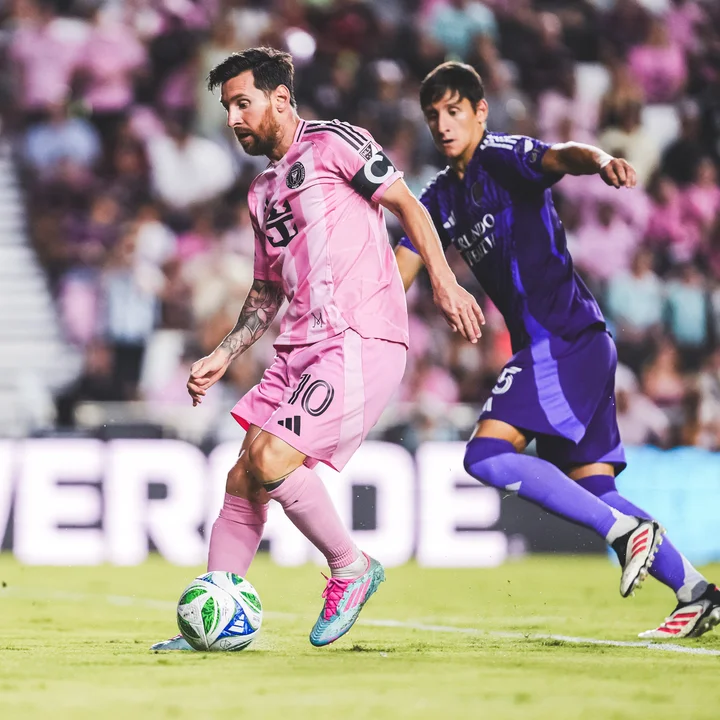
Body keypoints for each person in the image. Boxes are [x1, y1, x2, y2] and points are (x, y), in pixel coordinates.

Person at [152, 48, 483, 650]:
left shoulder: (334, 142)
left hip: (357, 336)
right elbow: (265, 291)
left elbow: (408, 205)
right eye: (227, 107)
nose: (232, 118)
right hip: (297, 347)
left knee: (272, 460)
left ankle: (351, 567)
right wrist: (226, 352)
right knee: (244, 476)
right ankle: (213, 614)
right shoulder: (261, 192)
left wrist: (443, 280)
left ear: (280, 99)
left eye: (242, 103)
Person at [394, 61, 720, 640]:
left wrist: (601, 160)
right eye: (433, 115)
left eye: (454, 111)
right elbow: (400, 270)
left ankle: (624, 532)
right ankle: (697, 592)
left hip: (561, 342)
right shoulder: (439, 198)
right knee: (596, 489)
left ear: (480, 112)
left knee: (485, 456)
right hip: (576, 345)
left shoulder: (500, 156)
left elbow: (561, 155)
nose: (443, 124)